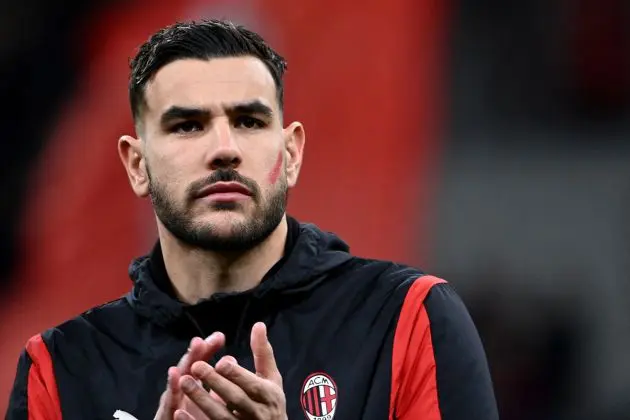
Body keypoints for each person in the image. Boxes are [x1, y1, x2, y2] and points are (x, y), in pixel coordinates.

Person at [5, 19, 498, 420]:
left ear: (292, 152)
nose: (224, 150)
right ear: (138, 165)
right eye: (188, 125)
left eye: (248, 121)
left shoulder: (407, 320)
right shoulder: (61, 370)